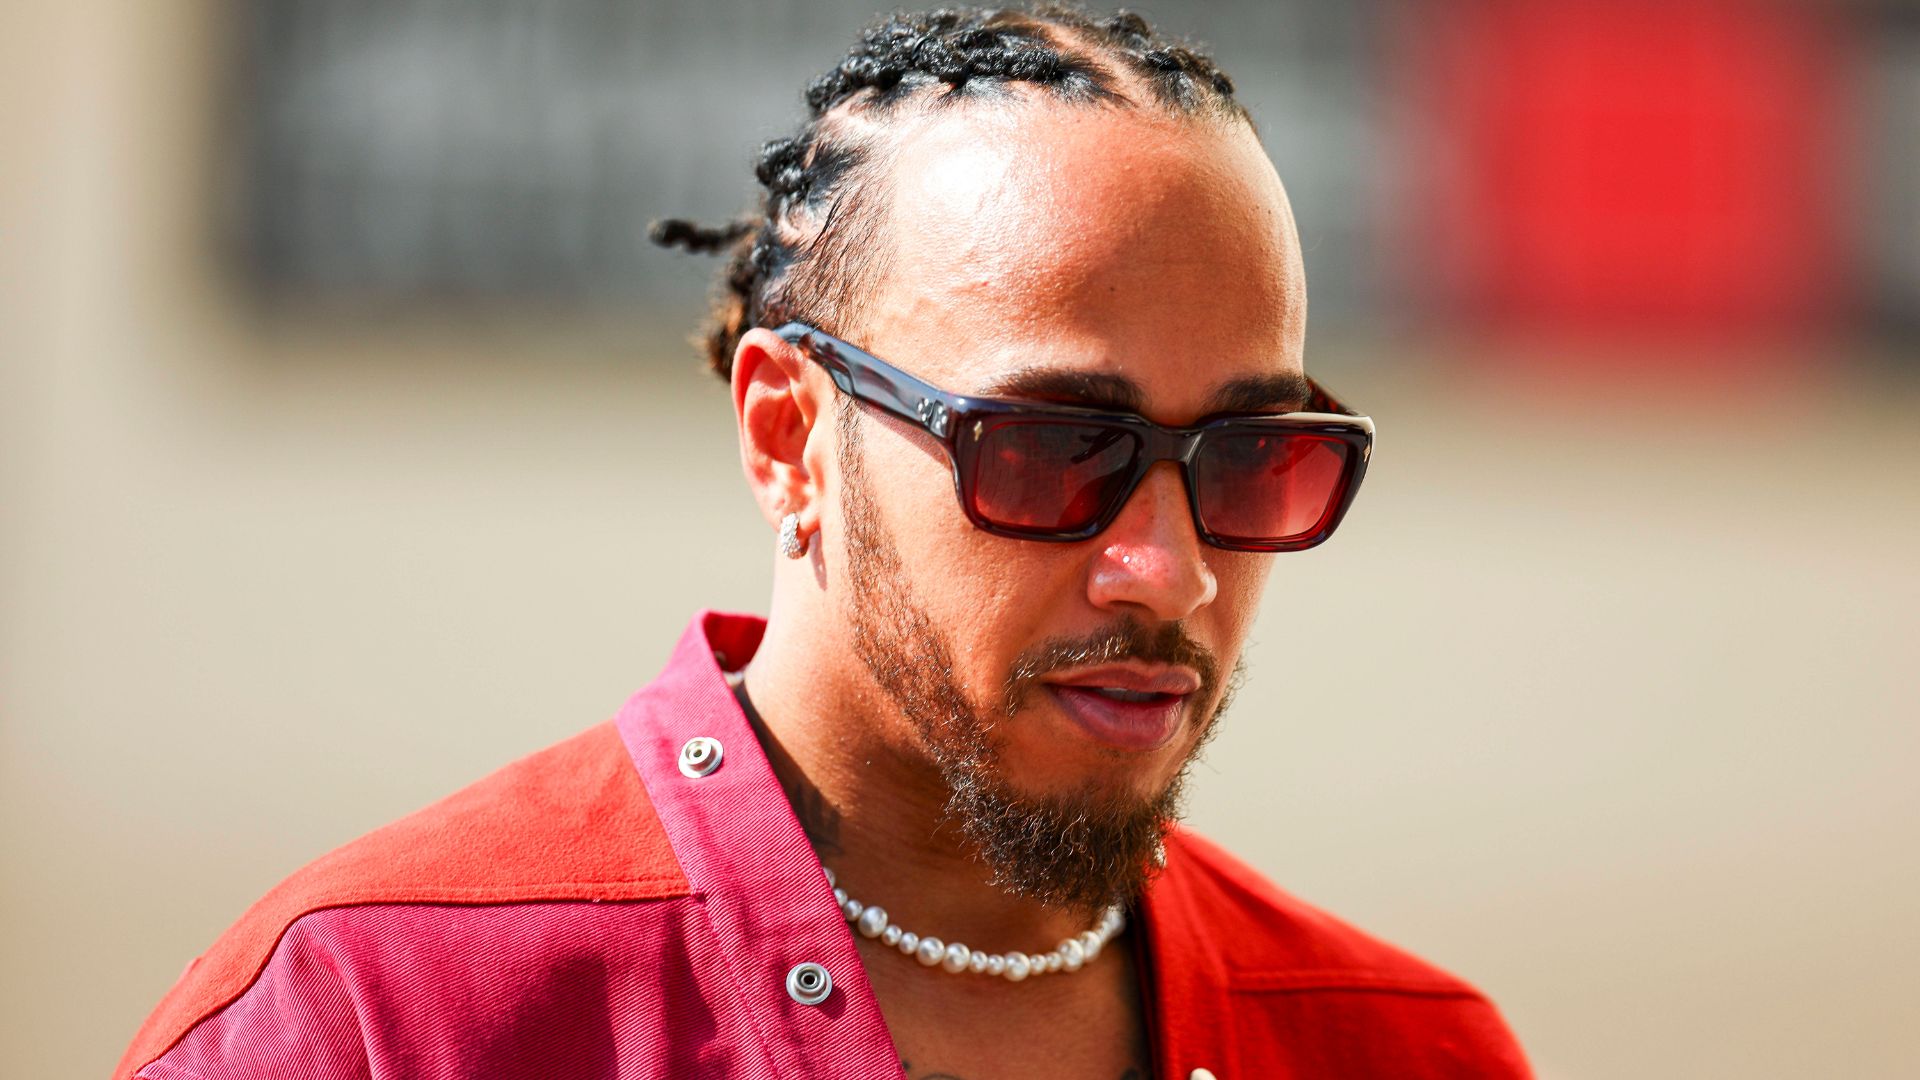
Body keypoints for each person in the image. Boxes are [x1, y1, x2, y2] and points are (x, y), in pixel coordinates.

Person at [118, 5, 1531, 1078]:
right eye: (1046, 449)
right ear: (789, 437)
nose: (1167, 568)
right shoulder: (376, 1015)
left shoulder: (1402, 1047)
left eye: (1250, 458)